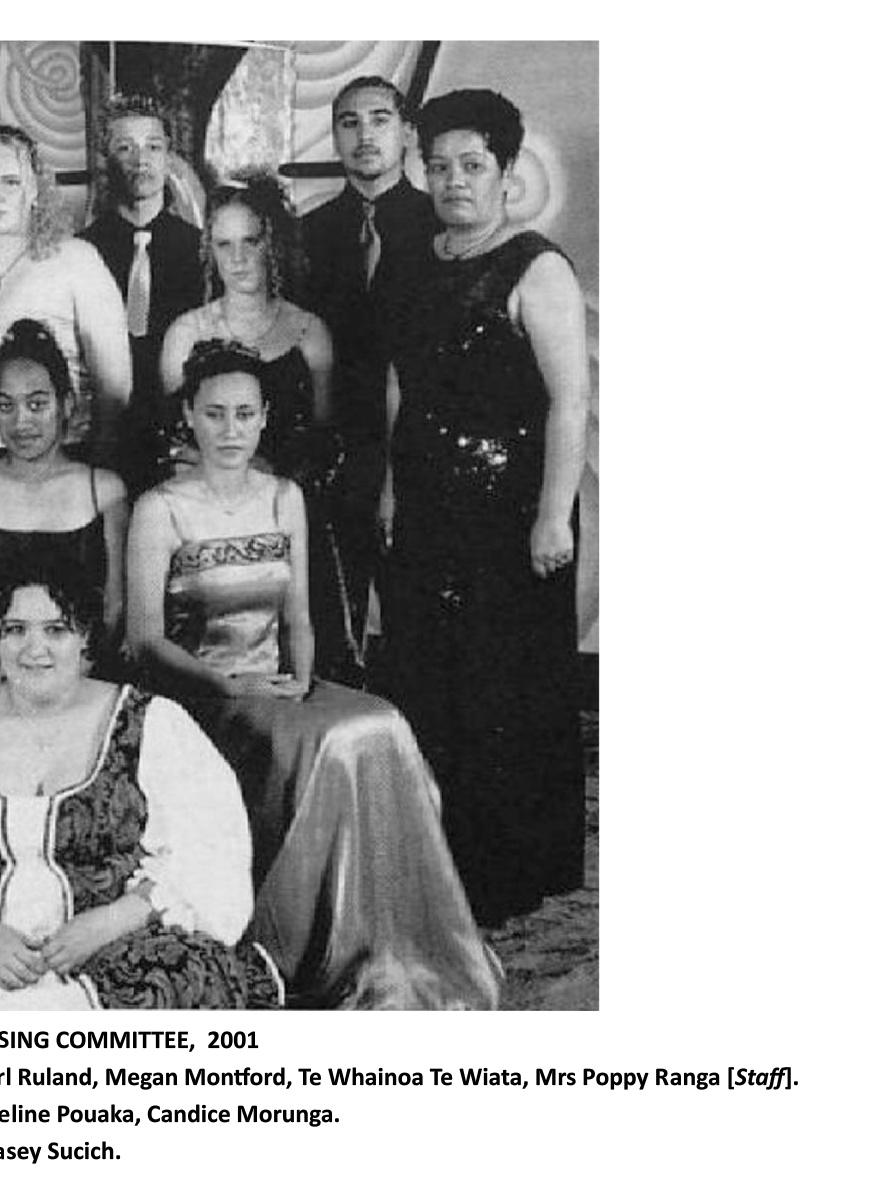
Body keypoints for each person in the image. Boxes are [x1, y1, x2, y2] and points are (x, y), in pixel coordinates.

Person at [127, 340, 500, 1010]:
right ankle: (304, 951)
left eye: (245, 414)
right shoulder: (160, 507)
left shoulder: (285, 497)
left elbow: (298, 613)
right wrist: (230, 686)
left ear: (265, 417)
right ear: (188, 416)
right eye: (215, 414)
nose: (231, 430)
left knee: (382, 722)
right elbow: (144, 640)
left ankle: (397, 941)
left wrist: (301, 680)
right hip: (201, 698)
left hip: (280, 683)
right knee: (330, 741)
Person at [381, 89, 591, 926]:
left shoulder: (537, 267)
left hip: (513, 518)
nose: (454, 181)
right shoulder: (411, 260)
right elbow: (399, 384)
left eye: (472, 165)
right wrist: (391, 488)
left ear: (507, 172)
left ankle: (510, 875)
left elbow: (570, 401)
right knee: (431, 682)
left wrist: (553, 516)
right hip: (427, 509)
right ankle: (440, 865)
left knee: (502, 693)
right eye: (439, 167)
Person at [0, 563, 281, 1010]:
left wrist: (112, 920)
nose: (35, 649)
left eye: (56, 630)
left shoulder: (151, 721)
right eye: (15, 630)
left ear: (85, 637)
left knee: (179, 975)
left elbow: (211, 854)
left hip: (116, 950)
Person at [160, 175, 357, 679]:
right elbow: (173, 444)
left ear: (275, 242)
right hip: (209, 529)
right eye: (224, 245)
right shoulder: (186, 333)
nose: (238, 259)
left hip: (293, 517)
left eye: (251, 241)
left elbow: (325, 438)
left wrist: (277, 486)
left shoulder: (310, 332)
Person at [301, 76, 439, 661]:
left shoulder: (441, 226)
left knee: (420, 616)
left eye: (380, 119)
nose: (365, 135)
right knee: (332, 614)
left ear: (407, 133)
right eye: (349, 122)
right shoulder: (307, 235)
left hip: (420, 447)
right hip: (336, 448)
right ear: (334, 137)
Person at [80, 94, 203, 494]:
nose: (140, 160)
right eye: (124, 147)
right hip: (102, 435)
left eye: (153, 146)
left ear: (169, 157)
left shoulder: (202, 251)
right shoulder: (81, 252)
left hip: (181, 437)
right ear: (105, 159)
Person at [0, 124, 131, 466]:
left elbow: (115, 386)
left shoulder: (75, 259)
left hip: (61, 458)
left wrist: (93, 469)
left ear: (34, 189)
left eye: (10, 182)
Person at [0, 319, 127, 667]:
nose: (21, 422)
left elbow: (115, 608)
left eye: (37, 404)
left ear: (67, 404)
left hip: (85, 674)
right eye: (5, 406)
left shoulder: (104, 491)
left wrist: (71, 676)